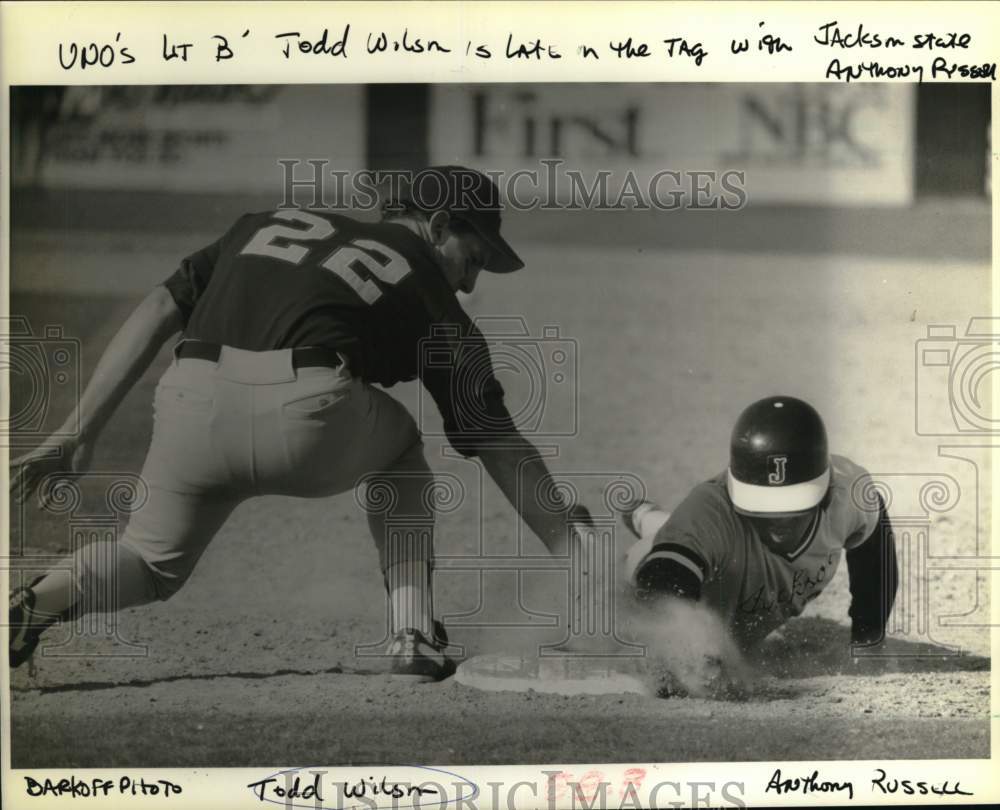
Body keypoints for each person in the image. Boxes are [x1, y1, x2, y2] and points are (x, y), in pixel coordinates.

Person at [9, 166, 593, 681]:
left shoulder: (264, 222)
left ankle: (35, 602)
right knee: (401, 449)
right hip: (308, 418)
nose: (469, 282)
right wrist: (571, 549)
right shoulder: (433, 295)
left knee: (147, 561)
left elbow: (161, 307)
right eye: (473, 259)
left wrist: (76, 433)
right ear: (438, 226)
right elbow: (496, 442)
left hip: (189, 401)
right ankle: (411, 634)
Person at [620, 395, 899, 656]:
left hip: (708, 541)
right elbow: (662, 584)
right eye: (764, 508)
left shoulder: (848, 493)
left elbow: (875, 545)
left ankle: (646, 516)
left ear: (826, 493)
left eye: (792, 509)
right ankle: (592, 540)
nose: (778, 522)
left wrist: (868, 636)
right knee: (645, 559)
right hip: (661, 565)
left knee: (689, 531)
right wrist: (686, 656)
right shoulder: (710, 509)